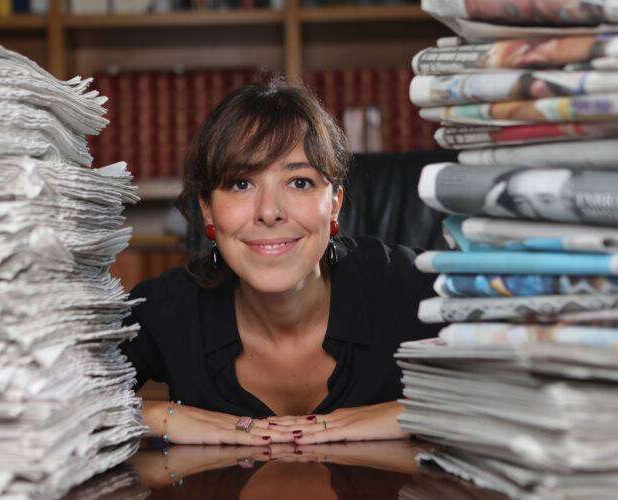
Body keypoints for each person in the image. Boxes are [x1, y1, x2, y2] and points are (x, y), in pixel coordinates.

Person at [118, 76, 439, 446]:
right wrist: (159, 417)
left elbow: (504, 387)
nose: (269, 212)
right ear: (207, 209)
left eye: (299, 182)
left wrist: (413, 413)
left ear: (334, 204)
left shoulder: (410, 285)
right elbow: (60, 402)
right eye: (241, 183)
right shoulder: (169, 307)